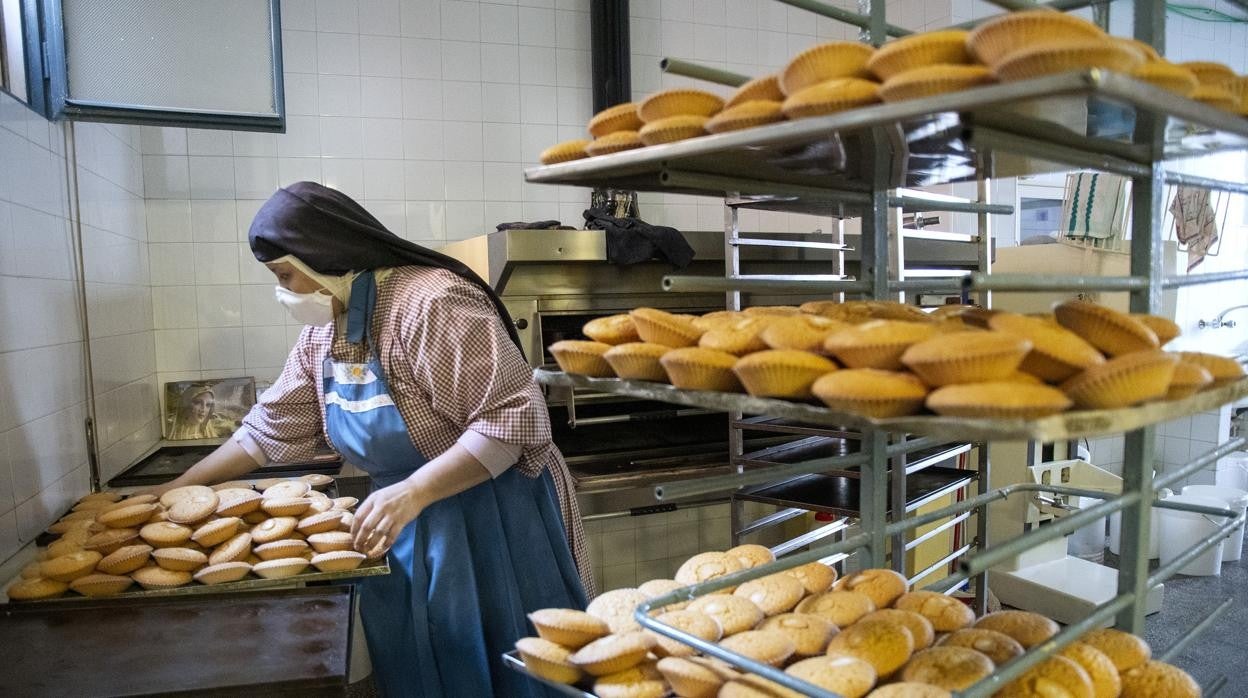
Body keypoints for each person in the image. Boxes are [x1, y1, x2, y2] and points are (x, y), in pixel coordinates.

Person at [151, 182, 591, 697]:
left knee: (509, 666)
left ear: (321, 257)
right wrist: (173, 494)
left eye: (285, 275)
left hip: (491, 517)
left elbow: (508, 421)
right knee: (425, 665)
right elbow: (266, 432)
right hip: (400, 524)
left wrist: (415, 491)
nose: (285, 291)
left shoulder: (432, 302)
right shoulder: (326, 329)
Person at [167, 385, 238, 440]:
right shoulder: (174, 436)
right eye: (198, 402)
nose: (203, 409)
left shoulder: (209, 433)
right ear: (186, 404)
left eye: (208, 405)